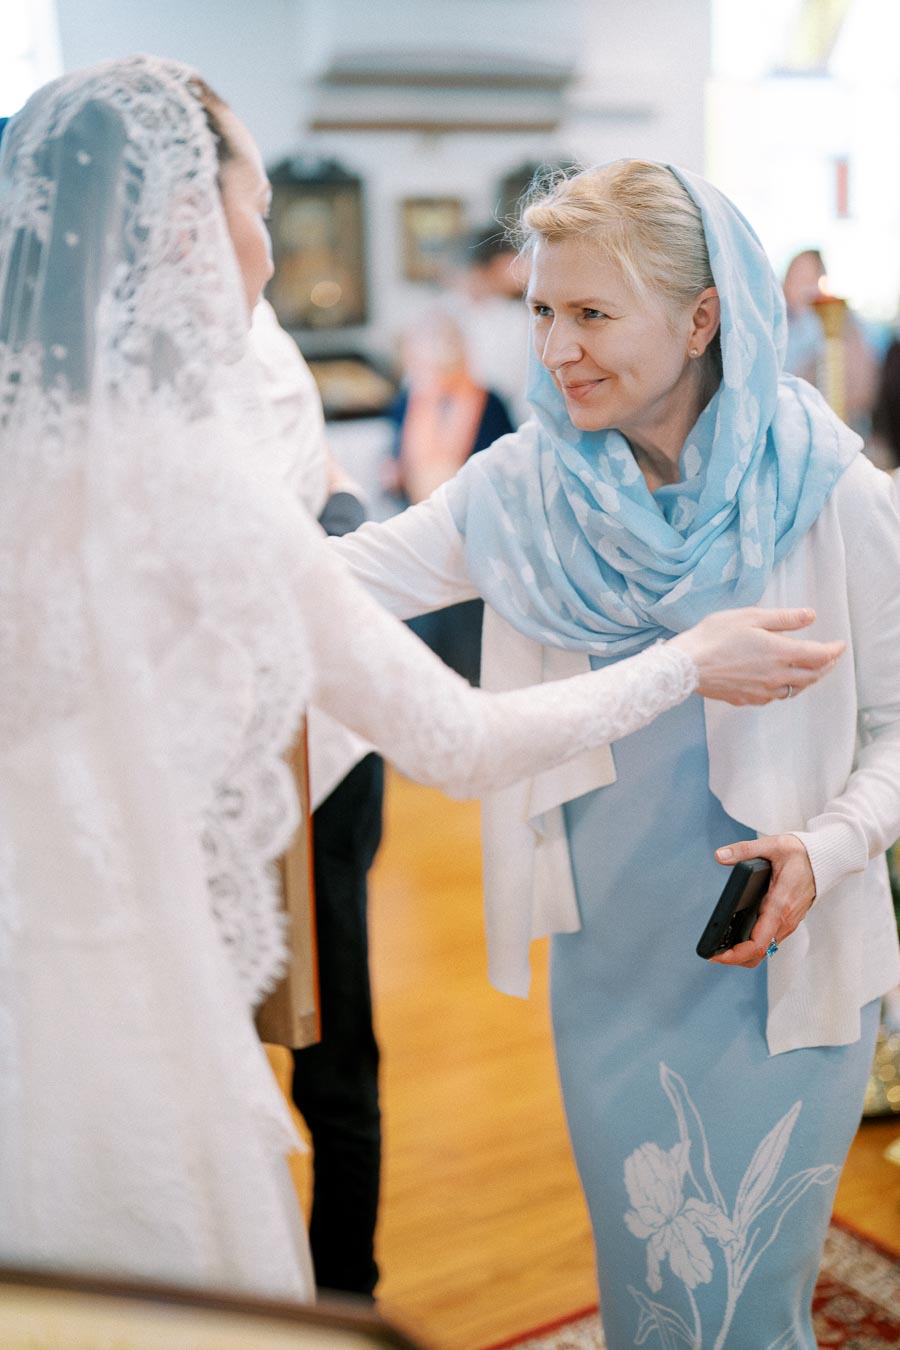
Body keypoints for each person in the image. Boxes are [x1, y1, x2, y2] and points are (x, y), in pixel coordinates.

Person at [0, 64, 844, 1307]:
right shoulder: (211, 488)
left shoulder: (39, 481)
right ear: (188, 226)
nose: (274, 258)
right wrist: (688, 661)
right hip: (138, 1006)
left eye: (591, 314)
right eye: (260, 209)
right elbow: (450, 736)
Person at [332, 161, 900, 1346]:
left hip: (782, 967)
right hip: (615, 979)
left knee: (751, 1307)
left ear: (702, 319)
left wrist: (828, 845)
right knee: (649, 1293)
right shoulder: (521, 498)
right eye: (541, 310)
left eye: (591, 313)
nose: (555, 349)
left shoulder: (833, 493)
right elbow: (339, 588)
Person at [249, 296, 385, 1299]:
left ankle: (344, 1289)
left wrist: (340, 517)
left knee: (331, 1034)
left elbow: (323, 472)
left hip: (316, 749)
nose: (266, 235)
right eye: (253, 210)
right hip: (215, 736)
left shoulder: (259, 327)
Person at [384, 308, 514, 682]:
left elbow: (503, 465)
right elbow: (397, 452)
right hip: (419, 532)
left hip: (473, 540)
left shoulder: (488, 401)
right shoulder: (410, 399)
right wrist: (394, 470)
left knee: (468, 648)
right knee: (422, 642)